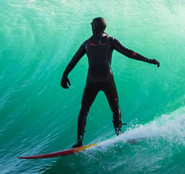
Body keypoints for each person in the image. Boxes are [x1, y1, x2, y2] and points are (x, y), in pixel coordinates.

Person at [61, 17, 159, 148]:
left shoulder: (87, 43)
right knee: (115, 107)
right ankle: (119, 135)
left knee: (84, 109)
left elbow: (74, 60)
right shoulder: (111, 40)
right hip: (107, 77)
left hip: (92, 78)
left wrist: (65, 75)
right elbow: (128, 52)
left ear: (95, 27)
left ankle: (79, 140)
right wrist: (148, 60)